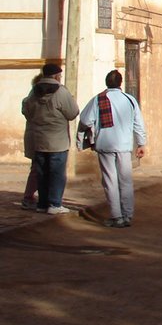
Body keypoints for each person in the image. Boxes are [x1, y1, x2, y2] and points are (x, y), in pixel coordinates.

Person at [78, 70, 147, 228]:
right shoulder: (129, 100)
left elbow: (85, 119)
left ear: (106, 82)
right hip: (124, 146)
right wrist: (141, 143)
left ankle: (116, 216)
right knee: (126, 180)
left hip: (105, 144)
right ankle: (127, 215)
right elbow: (138, 124)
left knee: (110, 181)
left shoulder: (98, 99)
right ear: (120, 83)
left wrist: (86, 136)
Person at [21, 63, 79, 215]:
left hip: (39, 140)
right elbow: (73, 113)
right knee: (57, 174)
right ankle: (54, 203)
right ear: (56, 75)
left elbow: (26, 110)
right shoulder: (61, 92)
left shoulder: (34, 92)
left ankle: (42, 203)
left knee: (41, 173)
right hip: (58, 141)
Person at [19, 73, 42, 210]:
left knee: (37, 167)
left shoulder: (29, 98)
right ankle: (29, 197)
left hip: (36, 136)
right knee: (37, 168)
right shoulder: (34, 98)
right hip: (40, 137)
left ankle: (31, 196)